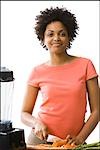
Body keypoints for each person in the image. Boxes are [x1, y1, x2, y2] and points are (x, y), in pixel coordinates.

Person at [21, 7, 99, 146]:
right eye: (50, 34)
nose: (56, 38)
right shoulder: (37, 71)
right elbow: (24, 113)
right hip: (41, 141)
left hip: (74, 142)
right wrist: (36, 123)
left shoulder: (85, 65)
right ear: (43, 38)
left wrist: (80, 138)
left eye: (62, 34)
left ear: (69, 37)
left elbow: (97, 111)